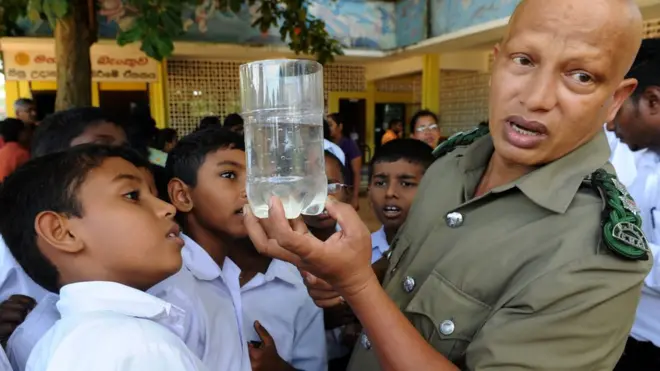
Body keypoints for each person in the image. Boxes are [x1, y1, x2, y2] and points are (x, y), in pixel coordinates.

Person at [244, 0, 652, 370]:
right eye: (524, 60)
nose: (537, 96)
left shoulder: (597, 254)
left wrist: (357, 284)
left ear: (616, 99)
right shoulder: (450, 164)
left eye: (581, 76)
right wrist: (343, 278)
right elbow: (412, 283)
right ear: (497, 62)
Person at [0, 145, 206, 370]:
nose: (168, 208)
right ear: (63, 232)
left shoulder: (55, 343)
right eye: (132, 195)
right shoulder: (141, 345)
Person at [605, 38, 660, 371]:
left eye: (618, 108)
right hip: (625, 340)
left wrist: (608, 243)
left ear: (653, 101)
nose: (610, 124)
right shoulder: (635, 153)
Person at [368, 139, 434, 263]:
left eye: (406, 184)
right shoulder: (359, 252)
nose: (390, 193)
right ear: (369, 190)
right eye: (380, 183)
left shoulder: (442, 254)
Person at [327, 113, 362, 210]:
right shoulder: (326, 145)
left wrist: (355, 197)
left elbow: (357, 172)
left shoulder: (349, 145)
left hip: (346, 191)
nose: (328, 128)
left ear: (340, 126)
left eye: (330, 124)